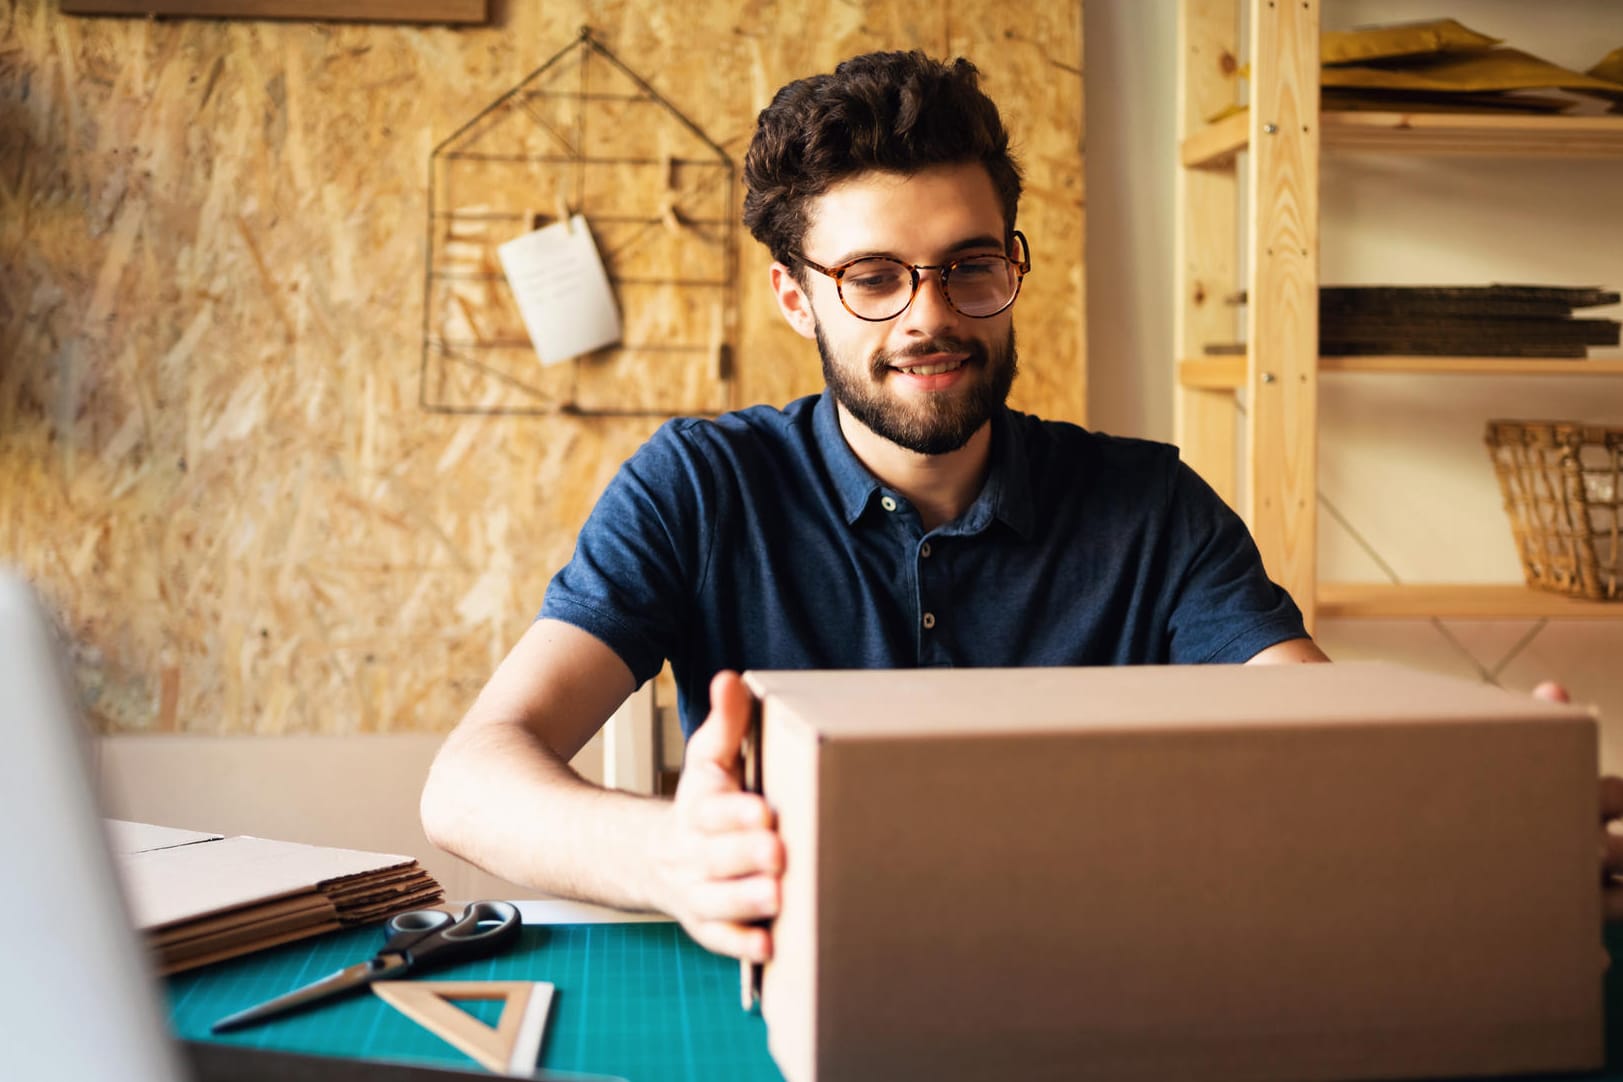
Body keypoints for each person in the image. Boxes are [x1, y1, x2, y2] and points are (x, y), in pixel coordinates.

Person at [420, 51, 1610, 962]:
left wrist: (1482, 805)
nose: (930, 316)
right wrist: (666, 853)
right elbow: (471, 778)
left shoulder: (1149, 504)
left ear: (1011, 268)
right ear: (797, 298)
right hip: (790, 986)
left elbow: (1315, 730)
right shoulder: (696, 486)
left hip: (1104, 984)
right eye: (874, 278)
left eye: (969, 265)